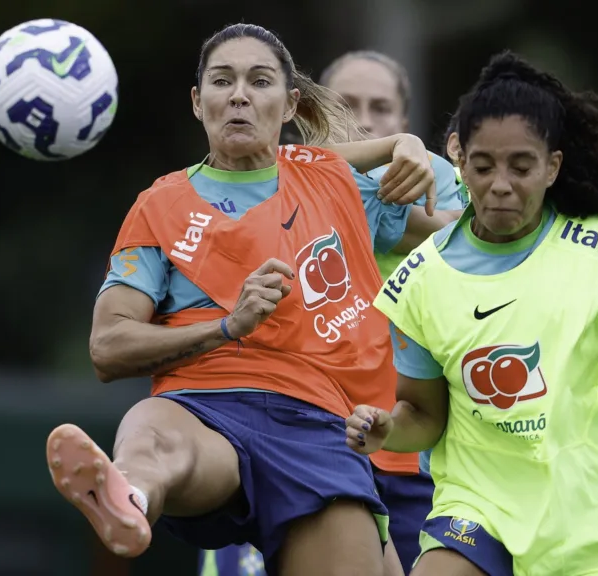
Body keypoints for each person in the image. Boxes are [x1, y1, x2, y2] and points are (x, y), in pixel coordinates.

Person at [45, 23, 441, 576]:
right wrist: (227, 326)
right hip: (205, 404)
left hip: (320, 424)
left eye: (259, 81)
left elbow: (459, 222)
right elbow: (108, 346)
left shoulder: (330, 176)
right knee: (153, 432)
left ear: (289, 105)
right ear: (197, 101)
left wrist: (410, 145)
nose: (238, 94)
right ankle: (128, 495)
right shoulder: (161, 204)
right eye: (221, 80)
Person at [347, 50, 598, 576]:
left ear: (553, 166)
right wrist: (386, 430)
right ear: (459, 161)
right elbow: (423, 416)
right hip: (486, 508)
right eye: (483, 167)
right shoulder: (417, 281)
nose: (501, 184)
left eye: (522, 166)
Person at [198, 49, 464, 576]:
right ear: (308, 116)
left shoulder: (439, 188)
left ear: (403, 126)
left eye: (381, 108)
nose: (365, 120)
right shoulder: (264, 195)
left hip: (414, 464)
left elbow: (496, 230)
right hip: (295, 446)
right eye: (346, 105)